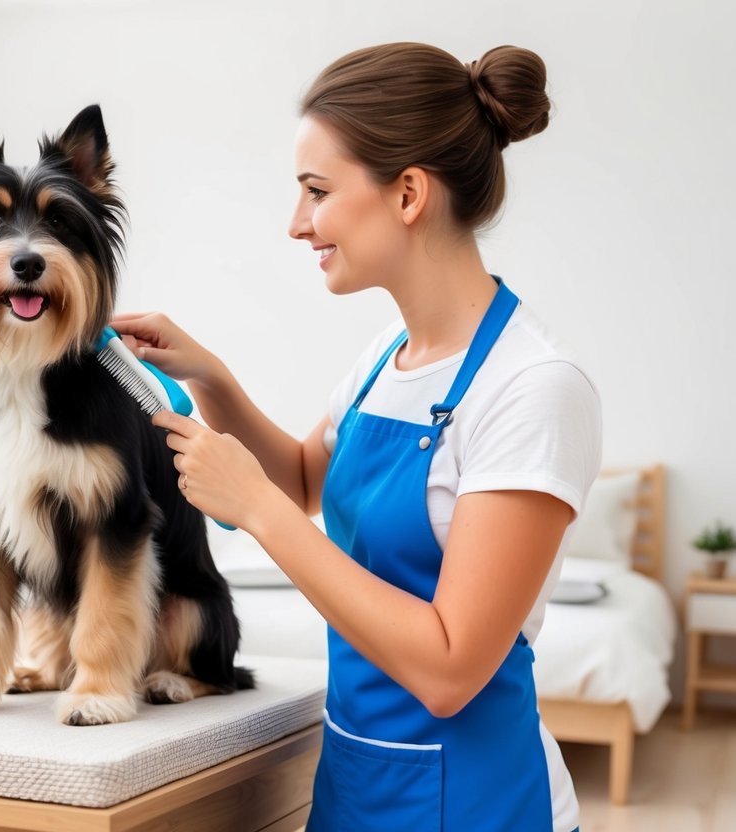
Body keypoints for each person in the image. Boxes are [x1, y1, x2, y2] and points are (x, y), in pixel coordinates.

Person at [112, 42, 599, 832]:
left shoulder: (533, 389)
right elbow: (304, 479)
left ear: (408, 193)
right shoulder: (388, 355)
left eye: (316, 191)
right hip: (356, 781)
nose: (297, 223)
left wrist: (258, 514)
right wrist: (210, 378)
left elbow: (448, 669)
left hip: (480, 802)